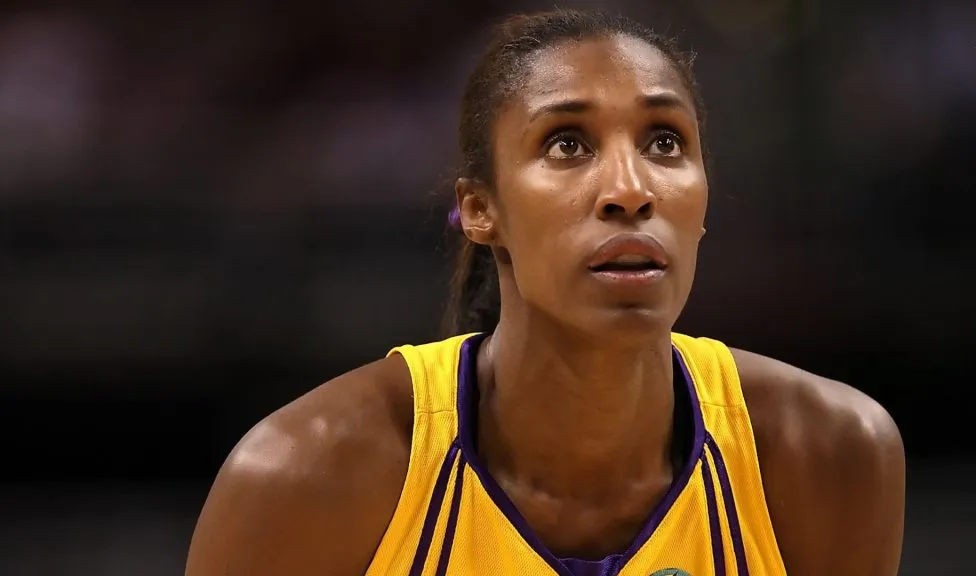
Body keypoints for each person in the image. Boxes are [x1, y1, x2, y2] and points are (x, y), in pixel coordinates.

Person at [184, 9, 905, 576]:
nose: (630, 190)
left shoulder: (827, 452)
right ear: (479, 210)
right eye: (568, 144)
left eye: (664, 142)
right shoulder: (308, 474)